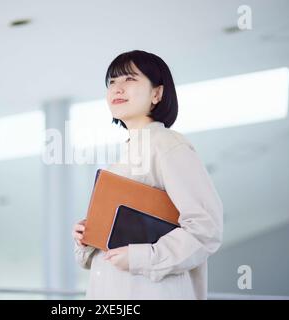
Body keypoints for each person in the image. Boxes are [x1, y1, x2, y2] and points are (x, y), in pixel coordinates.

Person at [72, 50, 223, 299]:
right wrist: (88, 236)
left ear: (157, 93)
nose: (117, 89)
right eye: (112, 82)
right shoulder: (120, 160)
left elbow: (206, 229)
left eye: (129, 79)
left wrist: (140, 257)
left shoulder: (167, 145)